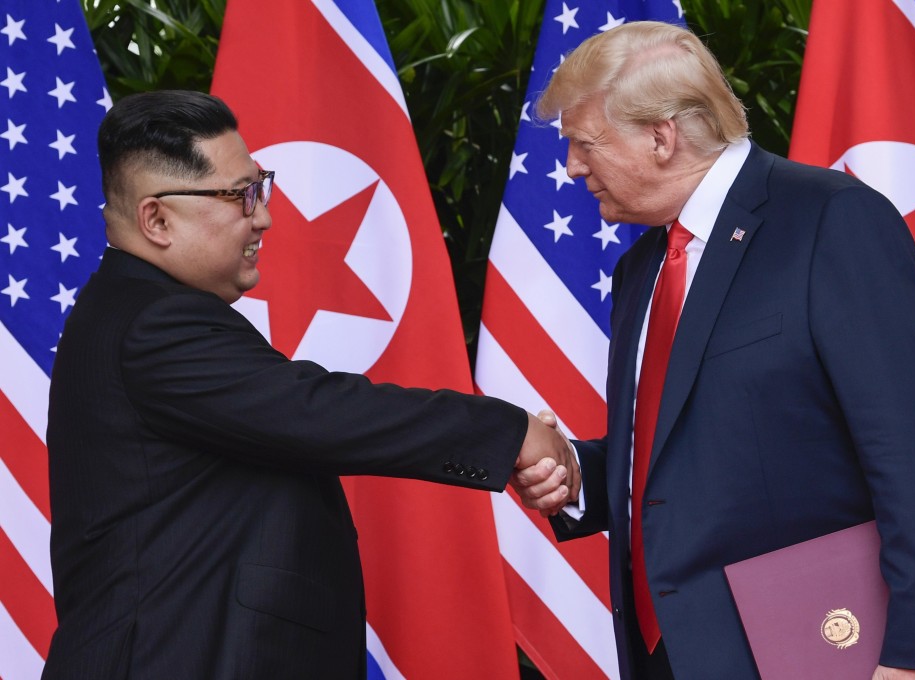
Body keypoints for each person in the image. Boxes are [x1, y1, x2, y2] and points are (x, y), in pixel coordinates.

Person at [43, 89, 578, 680]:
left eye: (260, 186)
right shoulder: (152, 323)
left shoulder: (136, 311)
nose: (264, 216)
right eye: (241, 196)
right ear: (157, 219)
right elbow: (319, 412)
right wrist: (510, 431)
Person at [510, 21, 915, 680]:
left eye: (585, 143)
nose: (571, 166)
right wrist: (577, 472)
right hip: (669, 656)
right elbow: (693, 450)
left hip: (826, 653)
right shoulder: (642, 265)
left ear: (661, 135)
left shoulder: (830, 221)